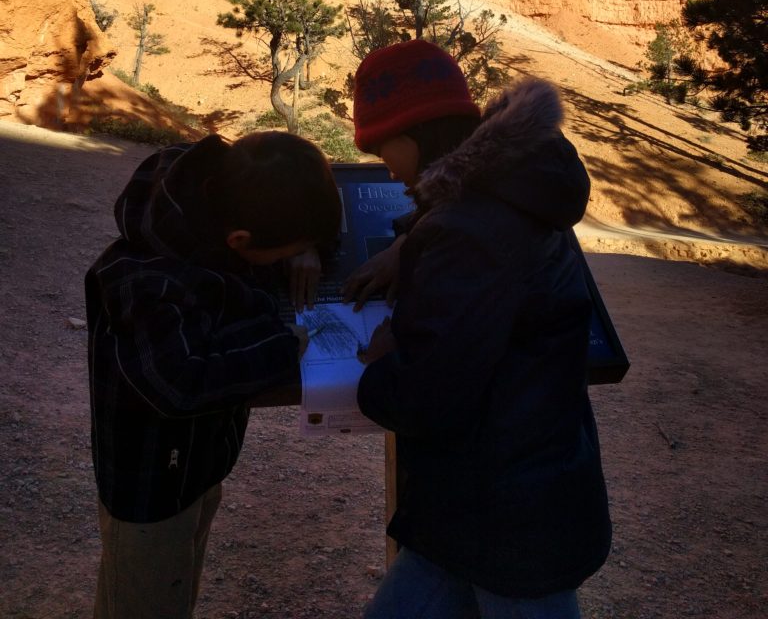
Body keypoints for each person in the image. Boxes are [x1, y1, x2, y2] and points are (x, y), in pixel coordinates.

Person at [345, 39, 612, 619]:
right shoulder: (511, 189)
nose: (381, 163)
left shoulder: (469, 231)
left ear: (410, 136)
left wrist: (381, 363)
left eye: (378, 146)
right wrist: (413, 241)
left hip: (507, 516)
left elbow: (429, 396)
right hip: (500, 495)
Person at [86, 131, 340, 619]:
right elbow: (179, 383)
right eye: (285, 249)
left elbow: (302, 213)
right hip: (150, 487)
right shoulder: (149, 284)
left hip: (195, 465)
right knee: (142, 599)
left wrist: (306, 250)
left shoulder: (219, 205)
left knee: (173, 585)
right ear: (240, 241)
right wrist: (280, 349)